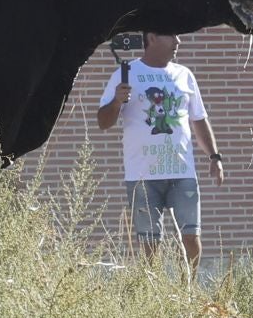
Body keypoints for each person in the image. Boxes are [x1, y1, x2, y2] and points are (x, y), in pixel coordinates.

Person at [96, 32, 224, 274]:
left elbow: (199, 120)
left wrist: (214, 156)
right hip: (142, 176)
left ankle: (187, 291)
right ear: (152, 38)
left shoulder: (184, 75)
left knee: (190, 237)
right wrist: (116, 102)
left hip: (181, 172)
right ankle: (152, 296)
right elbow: (103, 122)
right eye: (172, 36)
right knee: (149, 243)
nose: (178, 42)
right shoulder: (125, 74)